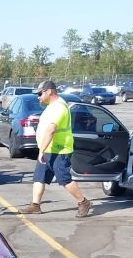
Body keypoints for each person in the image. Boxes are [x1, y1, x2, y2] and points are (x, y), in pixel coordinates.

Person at [21, 80, 93, 218]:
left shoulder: (60, 107)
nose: (38, 96)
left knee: (64, 179)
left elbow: (51, 130)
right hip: (48, 149)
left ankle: (83, 202)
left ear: (49, 91)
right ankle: (35, 206)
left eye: (40, 93)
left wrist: (41, 151)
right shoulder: (51, 106)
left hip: (59, 150)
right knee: (39, 178)